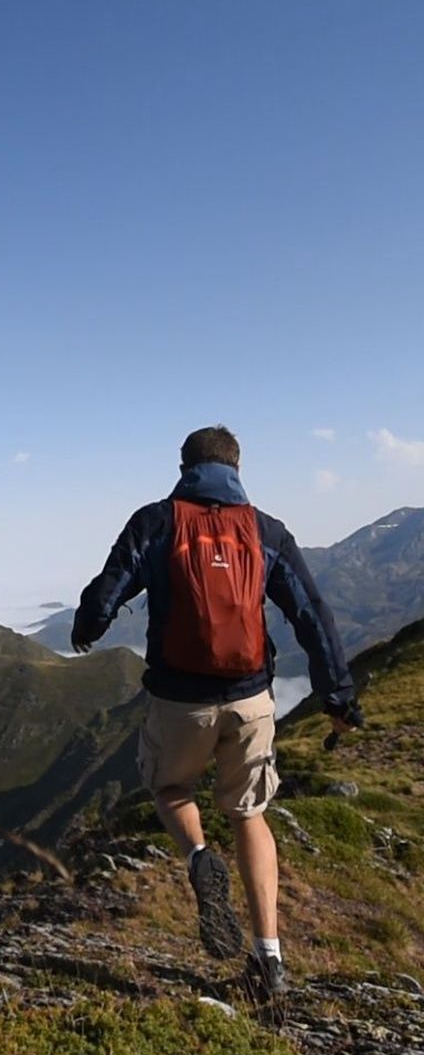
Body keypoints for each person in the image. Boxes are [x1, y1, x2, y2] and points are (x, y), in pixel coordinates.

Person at [70, 425, 363, 998]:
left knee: (170, 788)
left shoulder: (155, 522)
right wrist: (339, 697)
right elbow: (313, 614)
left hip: (180, 700)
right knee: (250, 814)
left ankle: (200, 856)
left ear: (184, 467)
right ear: (236, 467)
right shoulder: (266, 530)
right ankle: (269, 961)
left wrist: (88, 628)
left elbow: (108, 590)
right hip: (251, 698)